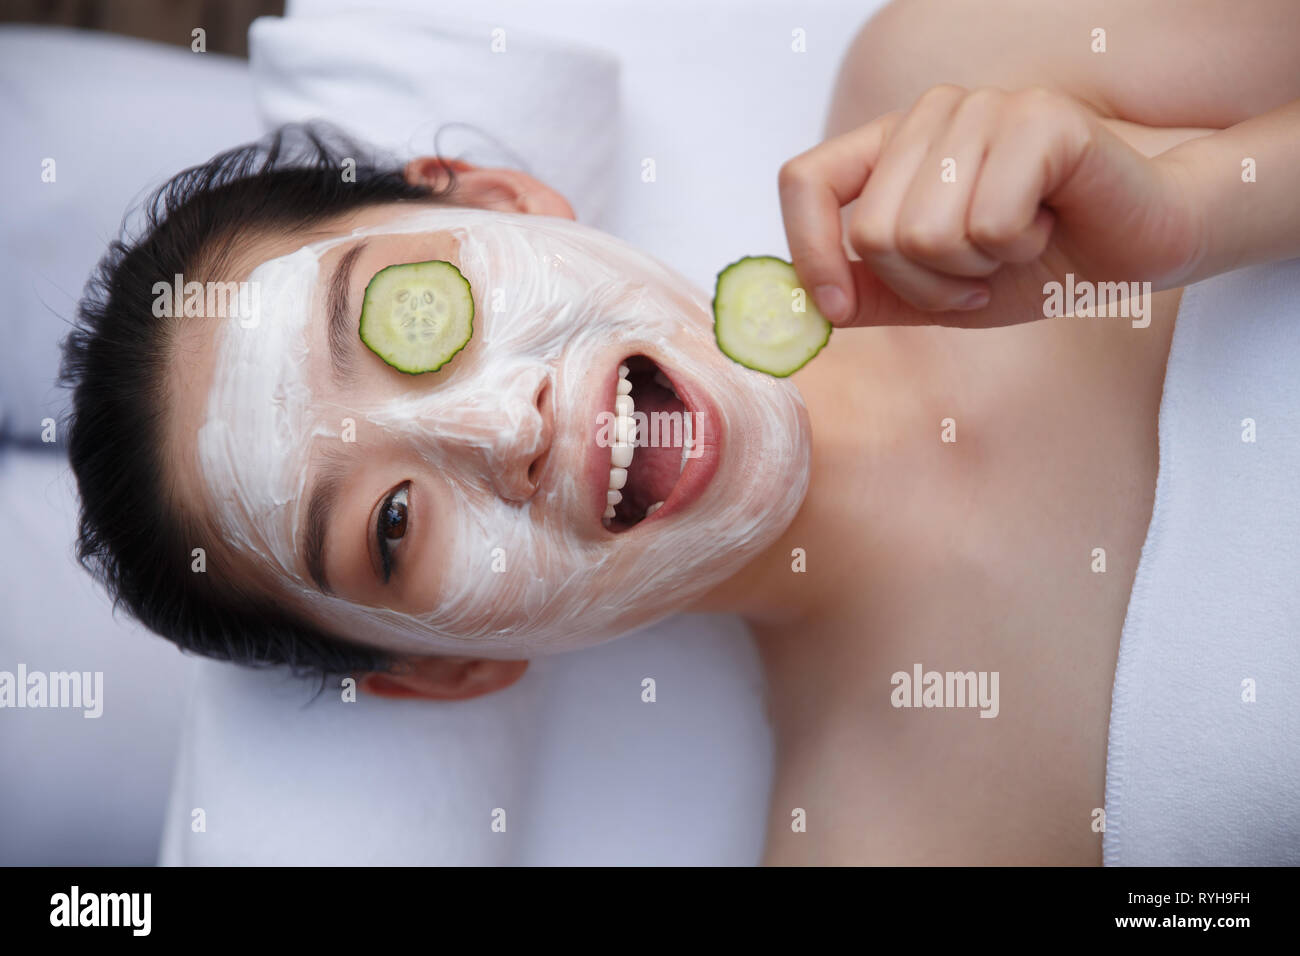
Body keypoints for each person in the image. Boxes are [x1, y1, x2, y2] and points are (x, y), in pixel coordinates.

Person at [61, 0, 1299, 863]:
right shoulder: (894, 846)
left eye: (408, 322)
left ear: (501, 200)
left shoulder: (952, 66)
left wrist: (1204, 212)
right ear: (444, 668)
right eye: (391, 523)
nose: (504, 424)